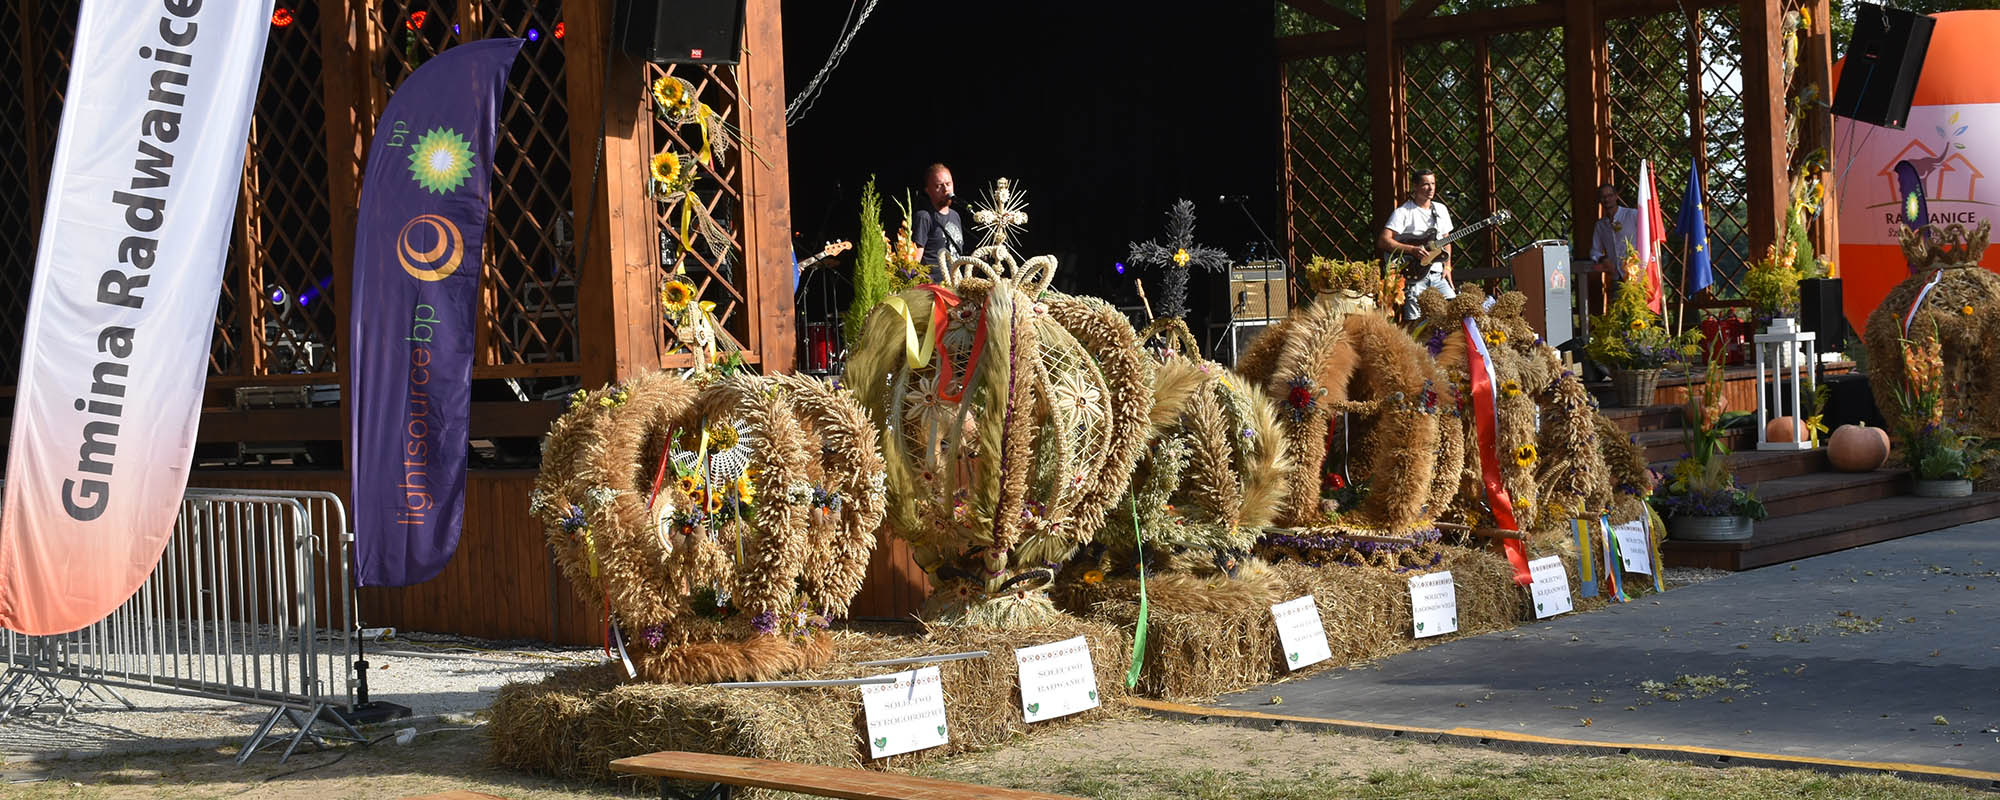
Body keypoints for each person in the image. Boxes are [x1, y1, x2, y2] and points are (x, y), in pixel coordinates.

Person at [1377, 169, 1455, 320]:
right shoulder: (1404, 212)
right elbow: (1383, 240)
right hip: (1415, 275)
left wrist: (1447, 267)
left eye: (1433, 183)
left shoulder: (1441, 210)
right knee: (1415, 322)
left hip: (1438, 275)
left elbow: (1447, 240)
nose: (1431, 188)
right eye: (1426, 184)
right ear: (1415, 187)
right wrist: (1412, 250)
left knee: (1452, 314)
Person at [910, 163, 966, 282]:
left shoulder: (955, 216)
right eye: (939, 186)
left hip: (956, 285)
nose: (946, 189)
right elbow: (916, 256)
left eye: (948, 184)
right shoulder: (924, 217)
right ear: (928, 190)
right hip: (935, 289)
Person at [1589, 182, 1640, 279]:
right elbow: (1594, 251)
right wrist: (1603, 258)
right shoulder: (1600, 226)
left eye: (1610, 195)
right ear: (1600, 200)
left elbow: (1651, 233)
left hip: (1637, 274)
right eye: (1603, 197)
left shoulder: (1632, 215)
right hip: (1617, 276)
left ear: (1616, 196)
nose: (1607, 199)